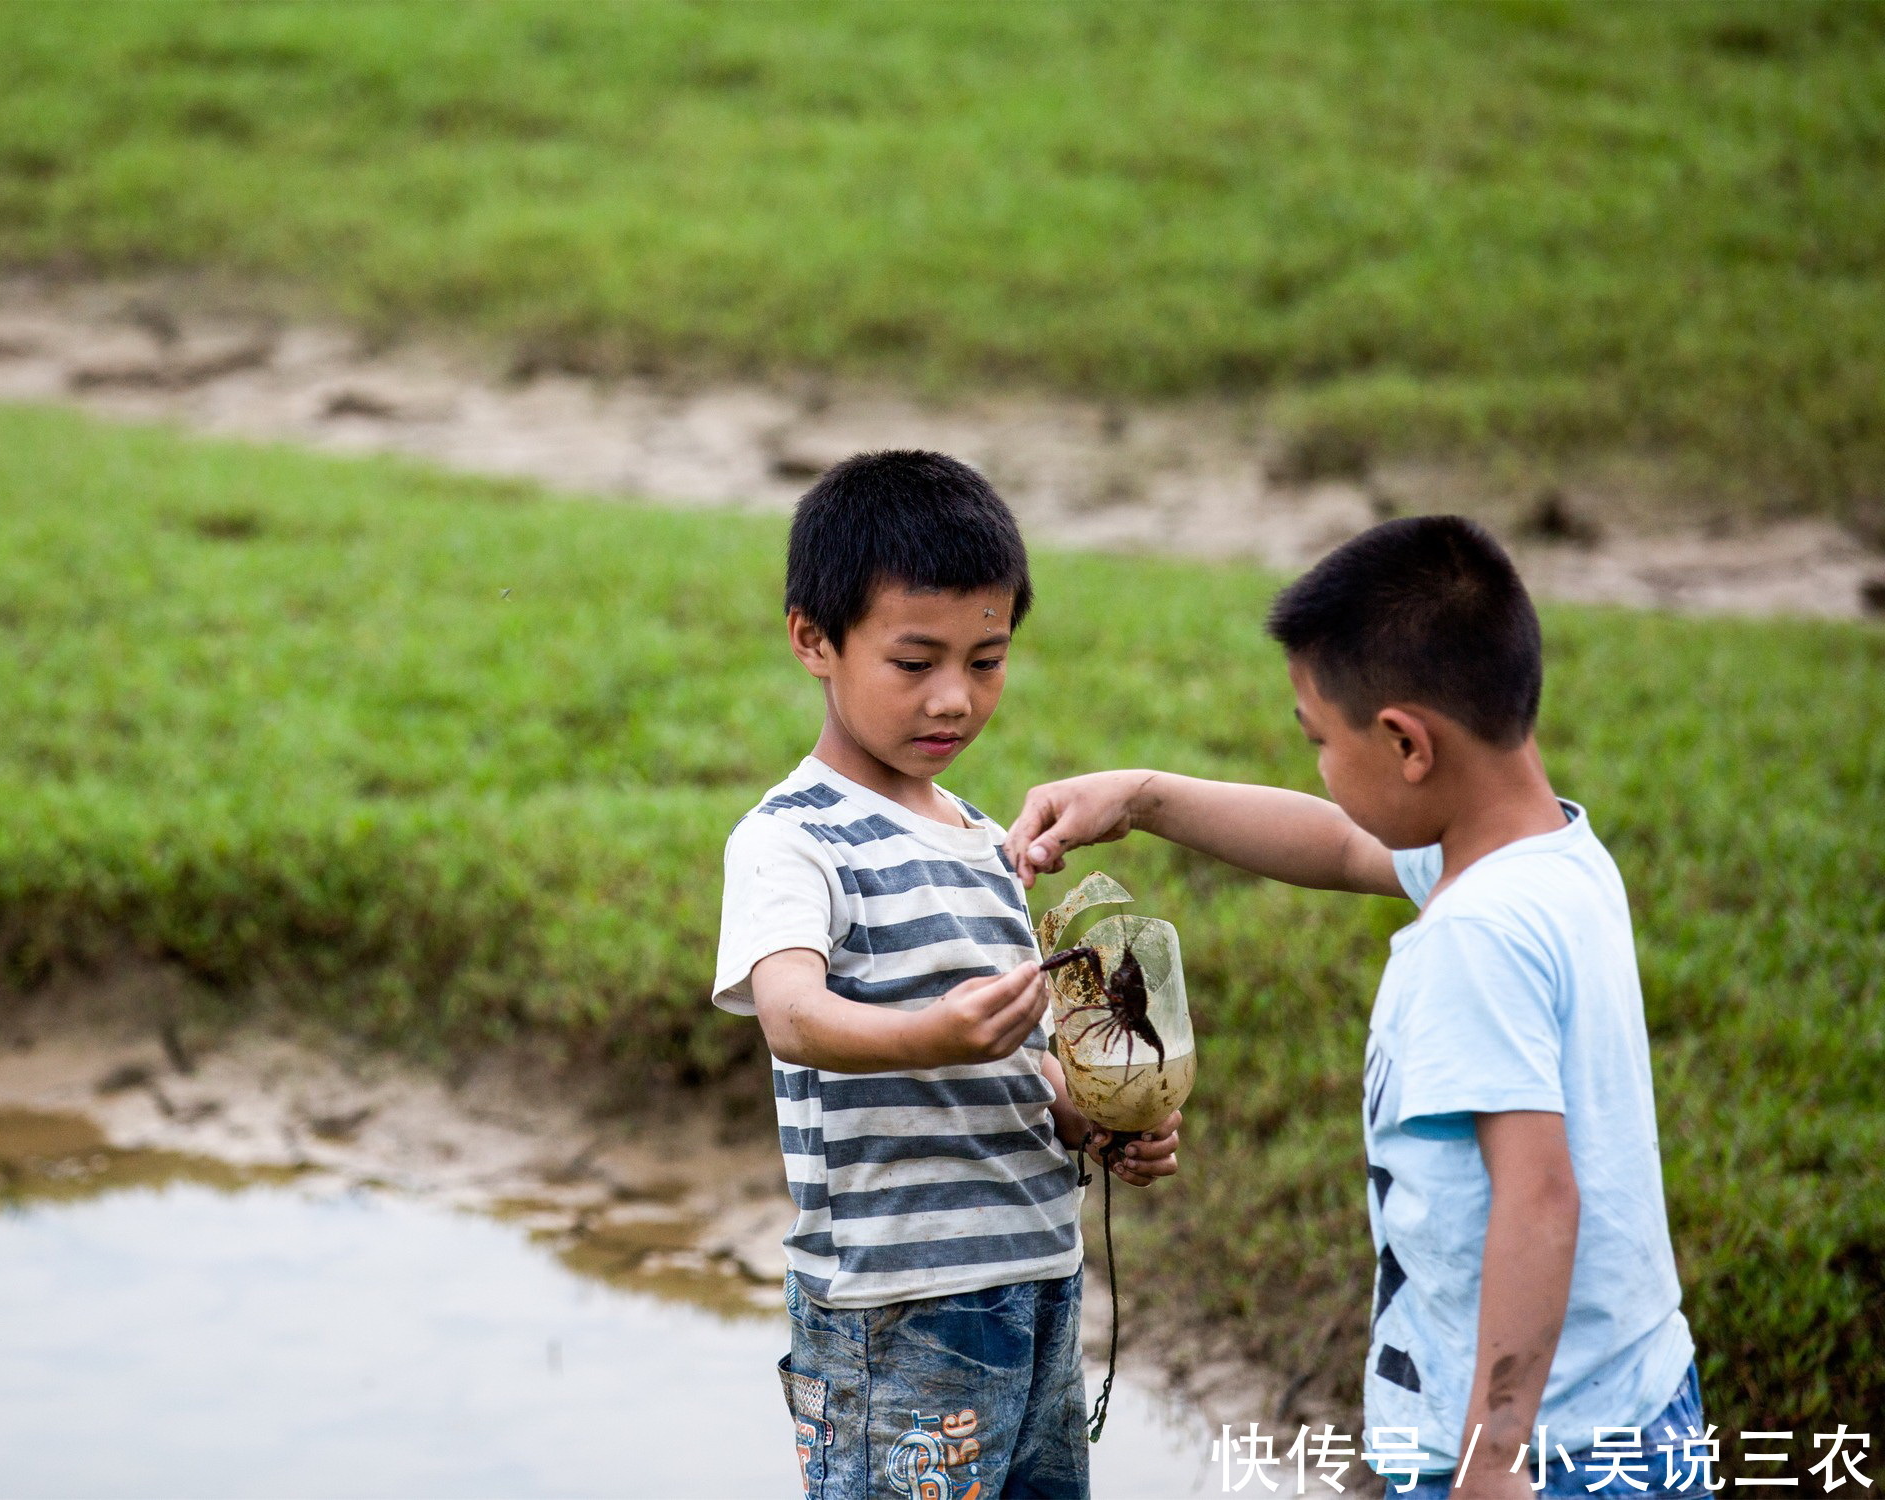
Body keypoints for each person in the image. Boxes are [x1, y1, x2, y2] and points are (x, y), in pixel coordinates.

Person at [1004, 516, 1704, 1498]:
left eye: (1319, 743)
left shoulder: (1472, 938)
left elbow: (1538, 1201)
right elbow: (1337, 846)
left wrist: (1490, 1461)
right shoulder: (1549, 859)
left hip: (1544, 1457)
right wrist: (1141, 798)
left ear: (1405, 744)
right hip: (1635, 1399)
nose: (1319, 771)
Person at [713, 450, 1180, 1500]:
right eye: (913, 662)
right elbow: (791, 1015)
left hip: (1040, 1278)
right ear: (813, 641)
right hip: (897, 1306)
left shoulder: (982, 839)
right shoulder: (791, 839)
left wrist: (1091, 1117)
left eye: (986, 659)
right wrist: (929, 1035)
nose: (954, 699)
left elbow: (1015, 1066)